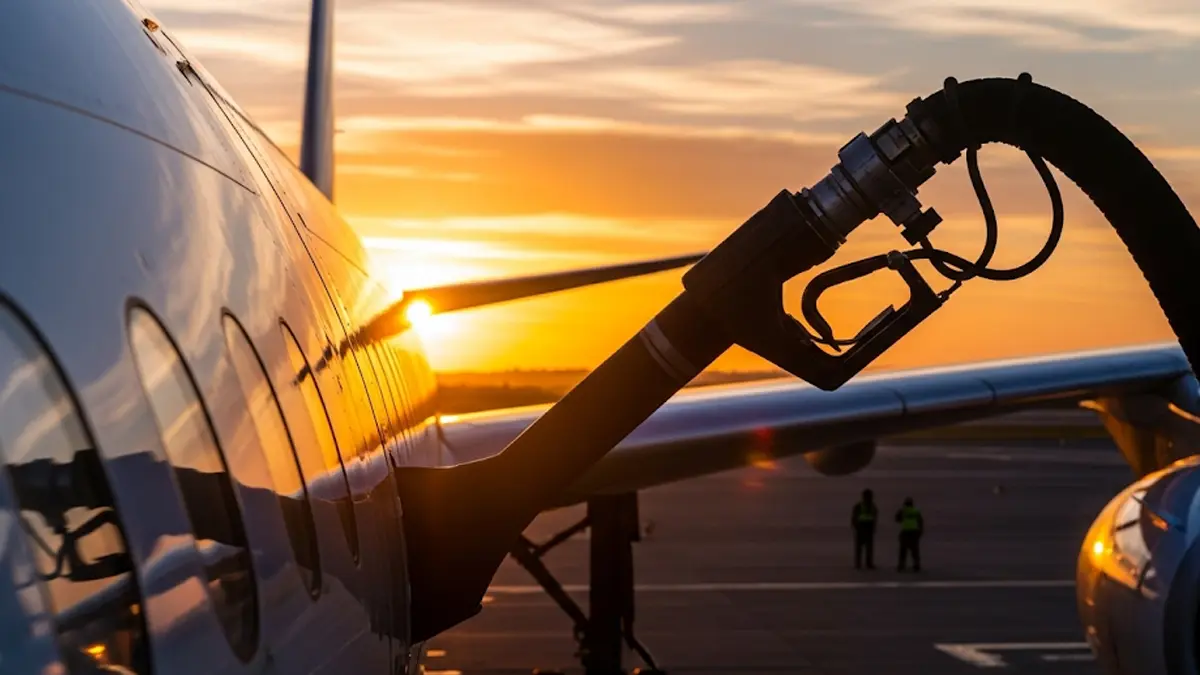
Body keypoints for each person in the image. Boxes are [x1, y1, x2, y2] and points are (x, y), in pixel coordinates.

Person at [851, 489, 878, 569]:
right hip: (861, 527)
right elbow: (854, 517)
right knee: (860, 547)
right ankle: (859, 564)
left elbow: (875, 516)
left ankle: (867, 563)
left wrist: (873, 527)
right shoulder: (860, 506)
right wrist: (855, 526)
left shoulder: (872, 506)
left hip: (868, 527)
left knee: (868, 547)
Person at [896, 497, 924, 572]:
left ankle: (901, 565)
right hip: (914, 531)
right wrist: (921, 530)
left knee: (903, 549)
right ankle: (916, 564)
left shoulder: (903, 511)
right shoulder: (916, 511)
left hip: (905, 531)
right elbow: (920, 521)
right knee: (915, 550)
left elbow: (897, 519)